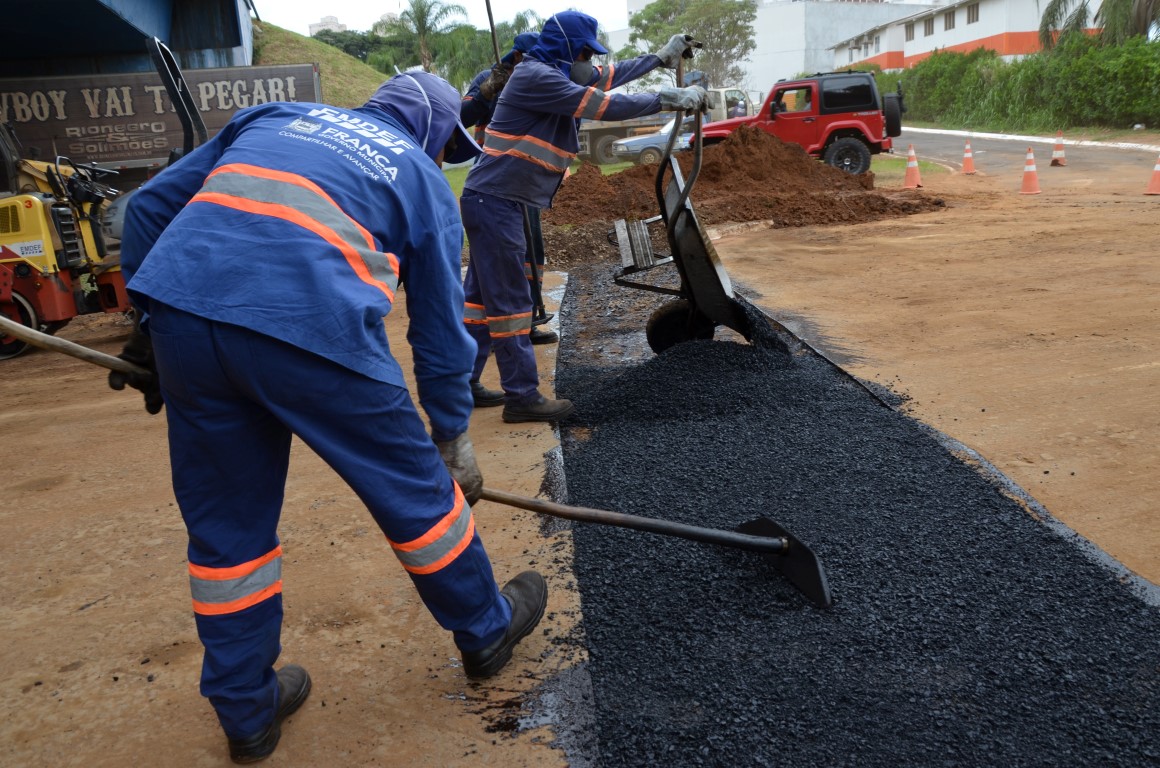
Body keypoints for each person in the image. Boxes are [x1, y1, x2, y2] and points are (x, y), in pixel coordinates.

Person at [108, 72, 548, 764]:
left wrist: (148, 325)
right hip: (313, 324)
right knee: (417, 498)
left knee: (228, 533)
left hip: (186, 319)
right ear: (433, 135)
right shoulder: (422, 179)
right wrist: (452, 439)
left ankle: (246, 711)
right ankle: (485, 629)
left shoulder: (273, 116)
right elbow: (437, 333)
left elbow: (146, 211)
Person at [461, 11, 708, 423]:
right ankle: (521, 395)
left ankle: (460, 383)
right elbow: (603, 104)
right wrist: (666, 99)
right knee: (509, 303)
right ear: (565, 48)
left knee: (480, 301)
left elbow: (609, 76)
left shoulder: (557, 73)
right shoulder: (537, 78)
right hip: (496, 201)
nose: (587, 60)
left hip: (501, 200)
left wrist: (659, 59)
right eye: (583, 51)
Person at [459, 33, 559, 347]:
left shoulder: (538, 81)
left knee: (531, 253)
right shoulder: (488, 79)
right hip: (494, 183)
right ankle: (483, 332)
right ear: (517, 56)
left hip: (524, 178)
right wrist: (488, 92)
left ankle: (527, 320)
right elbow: (461, 117)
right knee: (493, 257)